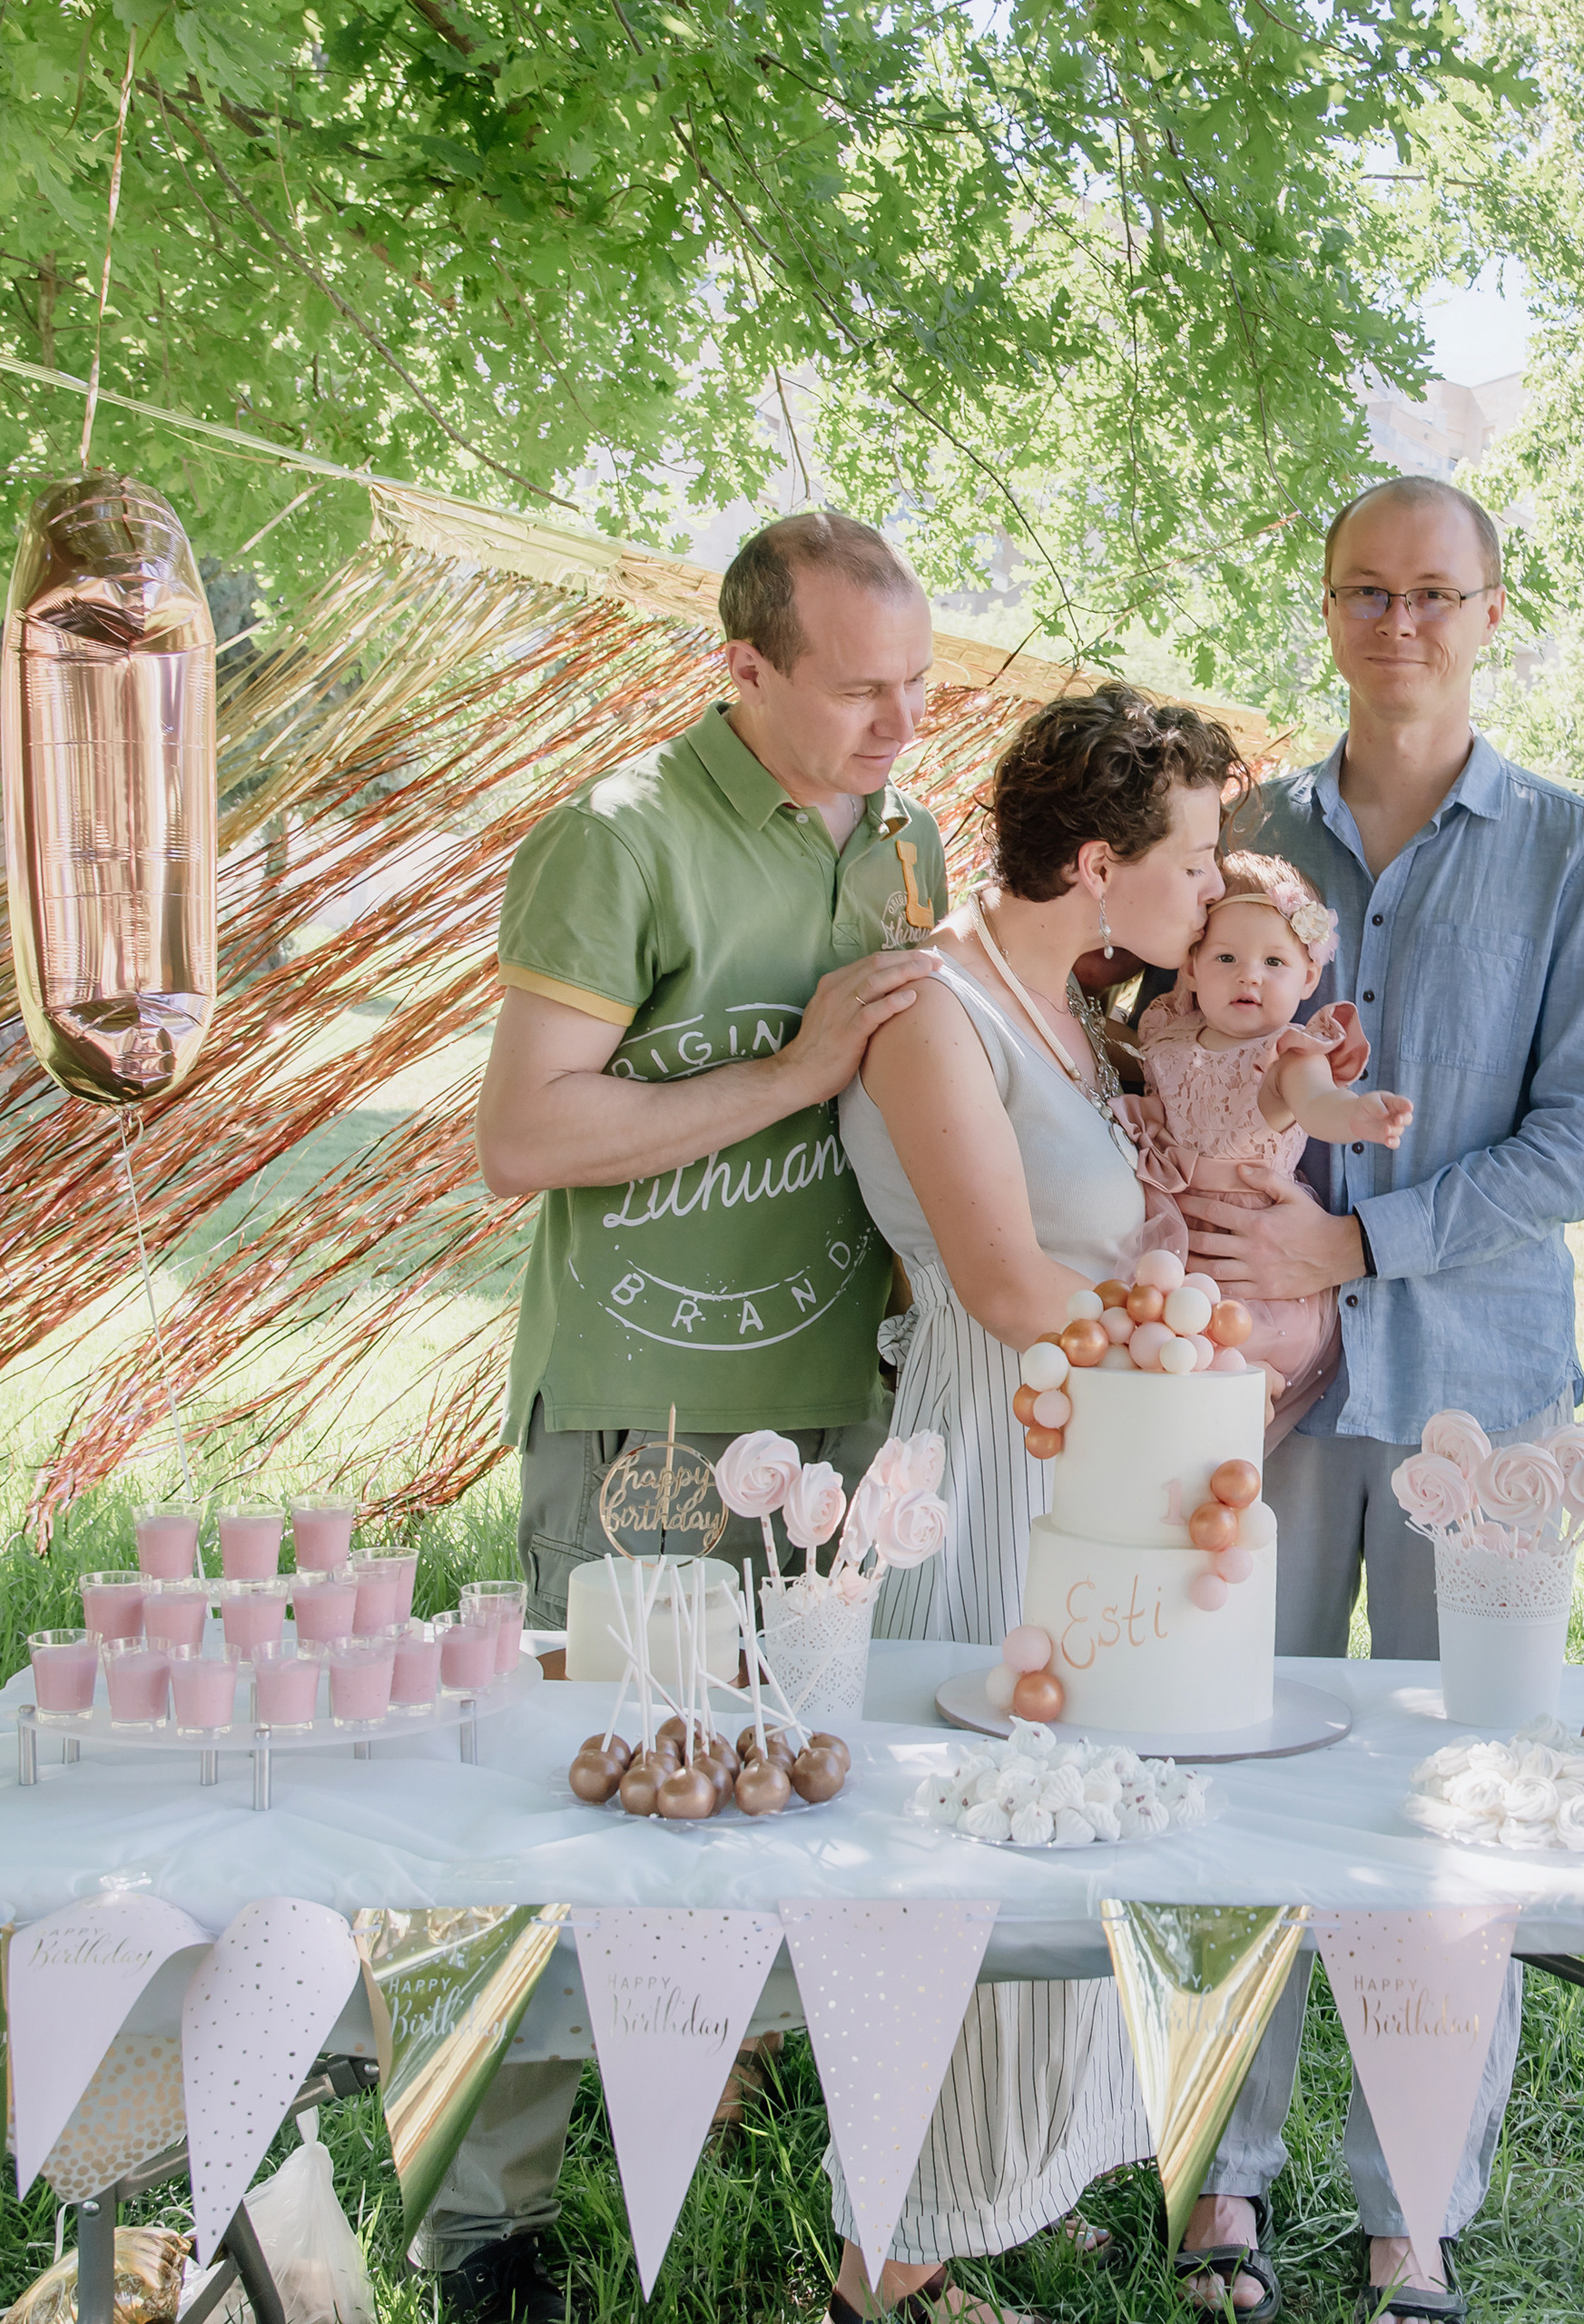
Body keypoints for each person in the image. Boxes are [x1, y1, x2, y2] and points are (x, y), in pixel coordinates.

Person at [438, 511, 946, 2322]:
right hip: (635, 1417)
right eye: (860, 689)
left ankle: (789, 2120)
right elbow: (524, 1136)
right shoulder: (617, 835)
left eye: (917, 684)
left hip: (839, 1416)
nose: (902, 724)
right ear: (742, 670)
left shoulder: (902, 842)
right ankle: (485, 2217)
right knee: (574, 1800)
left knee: (816, 1786)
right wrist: (796, 1068)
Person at [1175, 477, 1584, 2323]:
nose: (1400, 624)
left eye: (1435, 592)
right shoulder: (1237, 836)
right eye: (1365, 590)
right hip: (1253, 1390)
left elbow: (1580, 1139)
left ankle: (1412, 2208)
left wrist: (1356, 1247)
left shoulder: (1570, 850)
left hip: (1483, 1387)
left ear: (1492, 613)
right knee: (1238, 1749)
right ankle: (1220, 2170)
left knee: (1467, 1791)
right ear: (1324, 606)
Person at [831, 681, 1236, 2323]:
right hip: (994, 1449)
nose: (1212, 890)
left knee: (1082, 1819)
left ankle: (1012, 2181)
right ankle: (889, 2261)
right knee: (980, 1843)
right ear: (1095, 862)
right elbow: (1004, 1284)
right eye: (1194, 859)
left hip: (1094, 1445)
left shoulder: (1074, 1005)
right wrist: (1193, 1353)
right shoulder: (937, 1012)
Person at [1128, 850, 1412, 1443]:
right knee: (1154, 1353)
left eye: (1274, 961)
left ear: (1308, 977)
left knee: (1213, 1354)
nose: (1249, 976)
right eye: (1226, 958)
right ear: (1192, 967)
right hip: (1173, 1238)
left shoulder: (1286, 1055)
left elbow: (1318, 1103)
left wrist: (1357, 1115)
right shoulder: (1167, 1031)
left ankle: (1254, 1387)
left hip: (1254, 1267)